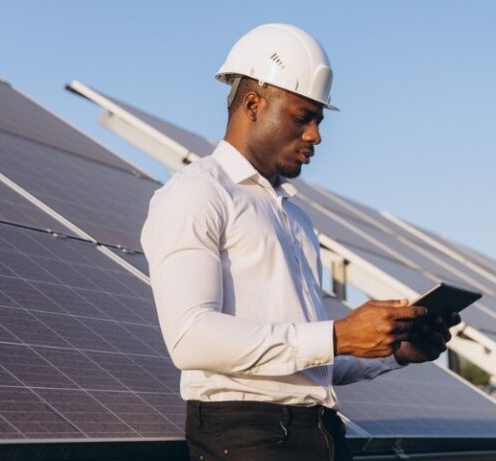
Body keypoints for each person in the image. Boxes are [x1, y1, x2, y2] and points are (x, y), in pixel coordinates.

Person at [141, 23, 460, 461]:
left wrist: (396, 351)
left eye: (319, 119)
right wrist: (335, 334)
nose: (316, 135)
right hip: (247, 437)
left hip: (321, 432)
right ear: (252, 103)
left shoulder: (296, 218)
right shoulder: (196, 193)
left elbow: (311, 358)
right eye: (301, 117)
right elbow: (191, 337)